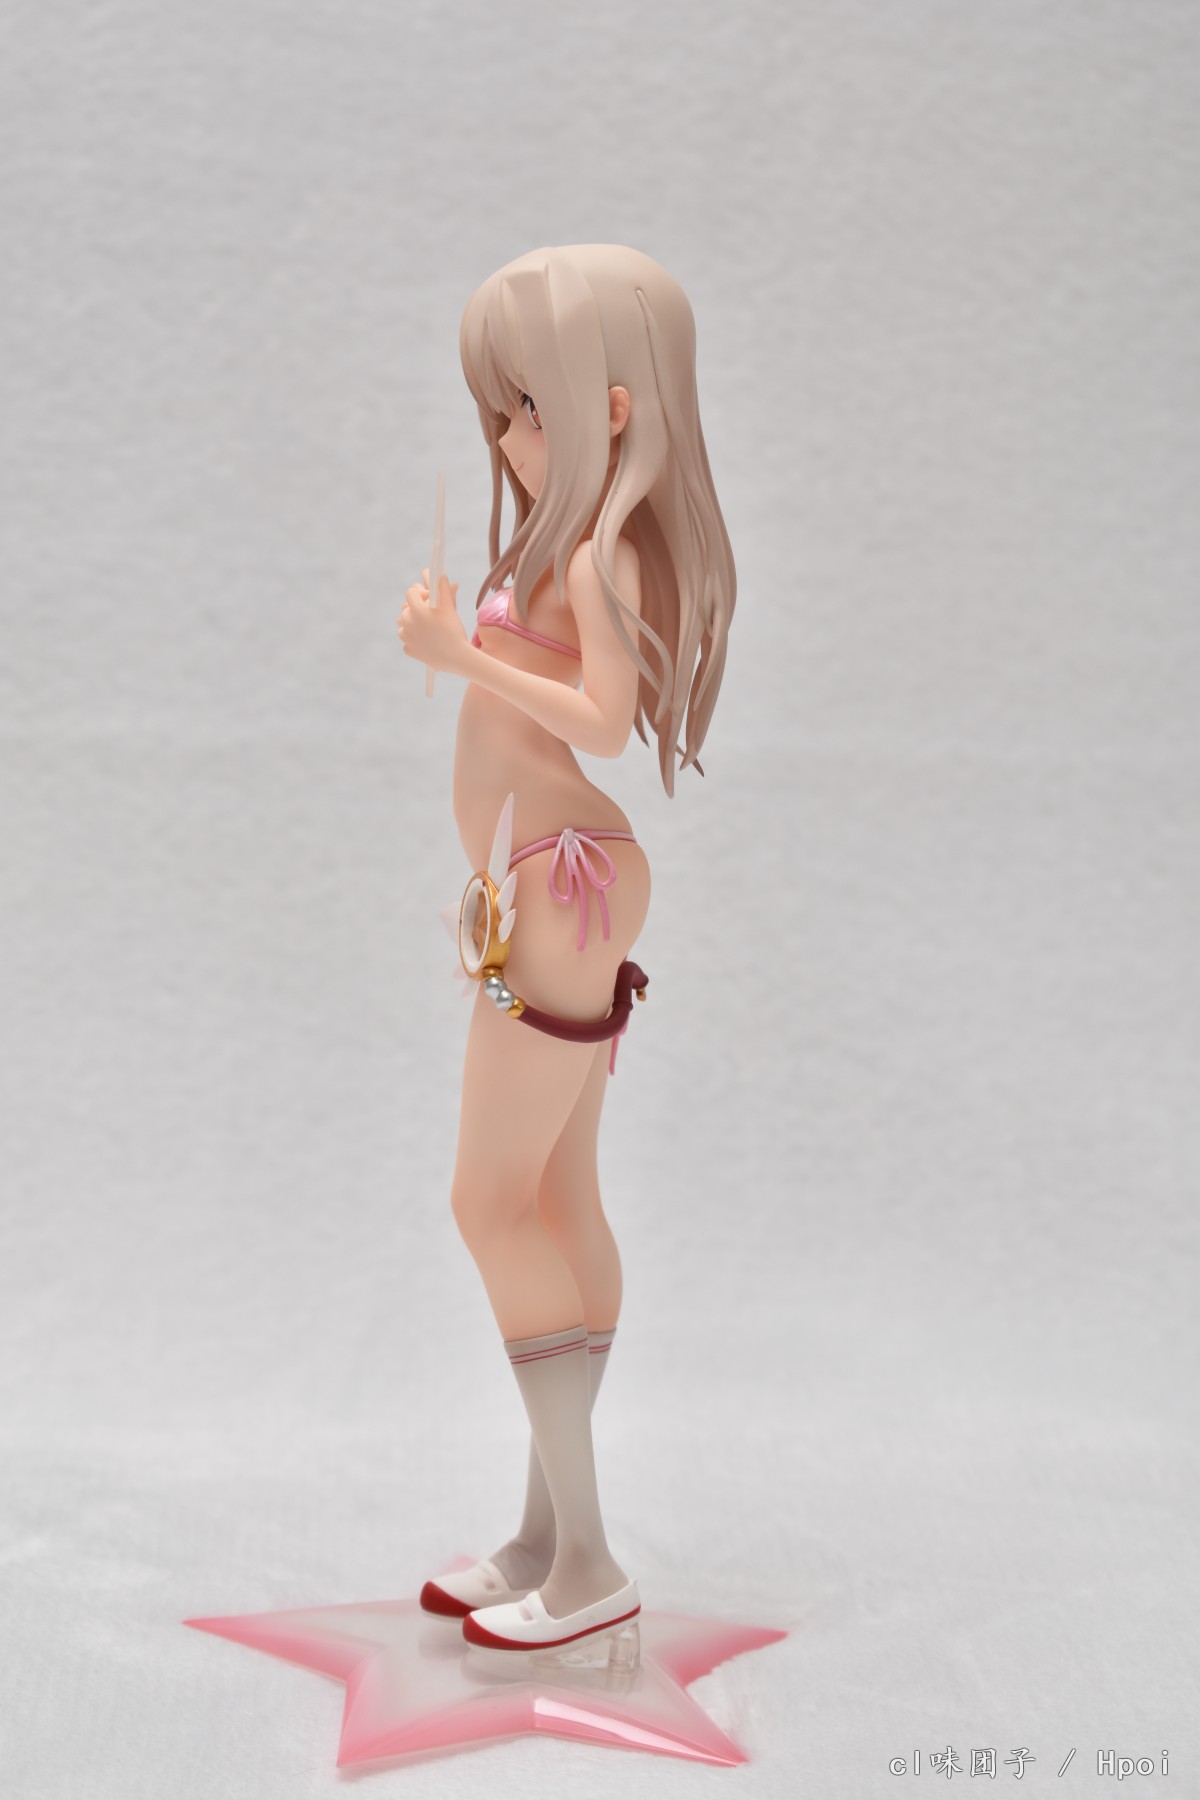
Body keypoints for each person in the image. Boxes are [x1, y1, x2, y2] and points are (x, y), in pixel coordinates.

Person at [396, 244, 735, 1651]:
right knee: (554, 1193)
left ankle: (586, 1560)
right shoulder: (573, 547)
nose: (506, 436)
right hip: (553, 881)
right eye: (498, 410)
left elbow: (601, 721)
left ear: (611, 407)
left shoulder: (598, 558)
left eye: (526, 405)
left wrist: (459, 657)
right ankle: (547, 1533)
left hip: (568, 879)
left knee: (489, 1203)